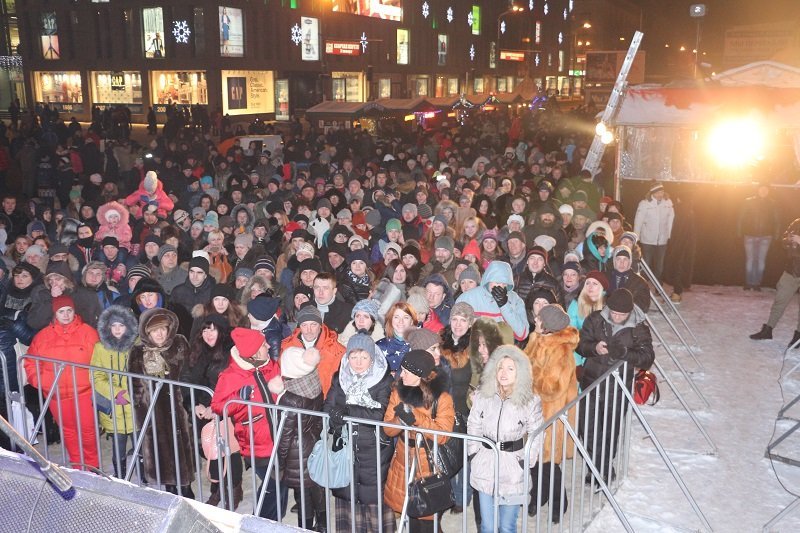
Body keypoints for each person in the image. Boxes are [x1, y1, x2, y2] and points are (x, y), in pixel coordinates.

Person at [577, 288, 655, 485]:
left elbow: (647, 358)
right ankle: (597, 464)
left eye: (622, 314)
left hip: (618, 388)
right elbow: (580, 344)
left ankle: (601, 468)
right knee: (587, 428)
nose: (617, 316)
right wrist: (594, 348)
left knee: (609, 430)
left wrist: (625, 353)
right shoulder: (595, 320)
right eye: (614, 312)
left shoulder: (639, 328)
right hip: (591, 383)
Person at [211, 327, 287, 521]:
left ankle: (275, 521)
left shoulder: (270, 365)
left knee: (282, 481)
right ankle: (259, 521)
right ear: (253, 352)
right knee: (274, 483)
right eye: (263, 344)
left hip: (279, 436)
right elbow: (219, 406)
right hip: (256, 441)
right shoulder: (231, 376)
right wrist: (238, 398)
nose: (269, 345)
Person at [323, 333, 395, 533]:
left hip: (373, 449)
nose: (358, 362)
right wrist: (336, 420)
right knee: (348, 496)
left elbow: (379, 413)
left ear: (372, 358)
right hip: (345, 446)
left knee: (373, 499)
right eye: (354, 356)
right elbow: (327, 407)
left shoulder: (384, 381)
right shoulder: (340, 378)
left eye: (364, 357)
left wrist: (347, 412)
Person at [467, 345, 543, 533]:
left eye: (510, 368)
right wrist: (473, 452)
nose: (503, 373)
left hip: (513, 468)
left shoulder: (530, 401)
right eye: (500, 367)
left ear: (521, 372)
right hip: (485, 463)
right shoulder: (483, 395)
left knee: (507, 527)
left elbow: (537, 432)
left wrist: (527, 460)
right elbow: (473, 423)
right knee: (487, 526)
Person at [383, 349, 455, 533]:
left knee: (428, 518)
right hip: (403, 459)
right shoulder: (398, 392)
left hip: (428, 462)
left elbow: (444, 433)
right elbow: (388, 429)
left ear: (421, 376)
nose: (401, 374)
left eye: (407, 371)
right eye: (402, 370)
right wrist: (400, 419)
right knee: (412, 513)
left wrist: (416, 418)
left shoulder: (442, 398)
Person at [25, 295, 100, 469]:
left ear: (74, 312)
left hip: (84, 392)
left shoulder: (88, 332)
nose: (65, 315)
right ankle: (77, 466)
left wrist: (94, 381)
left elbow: (99, 361)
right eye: (61, 311)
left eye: (69, 311)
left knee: (88, 432)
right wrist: (41, 381)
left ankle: (93, 468)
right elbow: (30, 362)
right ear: (54, 313)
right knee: (68, 432)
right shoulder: (43, 336)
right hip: (56, 394)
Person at [128, 308, 195, 497]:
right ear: (147, 332)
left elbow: (190, 372)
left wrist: (187, 403)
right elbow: (136, 387)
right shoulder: (138, 352)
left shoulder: (179, 344)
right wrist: (141, 417)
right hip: (153, 412)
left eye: (163, 328)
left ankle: (186, 490)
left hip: (178, 408)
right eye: (154, 330)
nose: (159, 333)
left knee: (181, 451)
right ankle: (170, 490)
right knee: (161, 454)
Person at [524, 304, 579, 521]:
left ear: (546, 325)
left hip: (553, 414)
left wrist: (531, 374)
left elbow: (552, 387)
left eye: (538, 319)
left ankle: (558, 502)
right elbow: (523, 361)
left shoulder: (562, 350)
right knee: (535, 461)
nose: (535, 321)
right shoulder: (539, 340)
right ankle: (538, 496)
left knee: (548, 463)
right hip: (534, 411)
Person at [184, 314, 243, 508]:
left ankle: (234, 489)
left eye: (213, 329)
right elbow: (187, 380)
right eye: (205, 329)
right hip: (202, 410)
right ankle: (217, 488)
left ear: (222, 331)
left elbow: (234, 385)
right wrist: (192, 404)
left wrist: (215, 409)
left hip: (225, 410)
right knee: (211, 450)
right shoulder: (197, 350)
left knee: (229, 451)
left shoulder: (231, 352)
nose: (209, 333)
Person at [268, 346, 325, 531]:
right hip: (314, 443)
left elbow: (284, 436)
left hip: (297, 451)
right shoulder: (313, 382)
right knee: (316, 487)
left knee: (302, 495)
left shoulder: (290, 399)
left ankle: (305, 528)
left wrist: (280, 461)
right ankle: (323, 525)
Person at [91, 305, 138, 478]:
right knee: (118, 448)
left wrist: (132, 393)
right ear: (108, 327)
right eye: (114, 326)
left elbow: (142, 375)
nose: (117, 329)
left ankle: (143, 475)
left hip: (134, 406)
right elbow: (97, 377)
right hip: (114, 409)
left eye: (121, 325)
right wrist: (117, 393)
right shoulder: (100, 348)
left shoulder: (136, 346)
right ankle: (120, 475)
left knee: (140, 444)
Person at [751, 218, 800, 348]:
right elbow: (784, 240)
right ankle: (768, 330)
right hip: (792, 269)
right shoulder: (797, 222)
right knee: (780, 300)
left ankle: (798, 337)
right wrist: (789, 240)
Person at [280, 302, 346, 398]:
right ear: (299, 326)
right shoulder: (287, 347)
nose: (309, 330)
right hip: (296, 403)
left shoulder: (337, 351)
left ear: (320, 325)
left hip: (324, 403)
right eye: (304, 325)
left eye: (313, 324)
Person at [456, 260, 529, 343]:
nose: (500, 286)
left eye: (504, 284)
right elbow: (456, 328)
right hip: (475, 348)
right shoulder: (467, 298)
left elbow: (522, 334)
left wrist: (504, 305)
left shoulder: (515, 299)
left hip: (503, 350)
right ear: (488, 280)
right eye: (497, 282)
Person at [738, 184, 780, 291]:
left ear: (769, 191)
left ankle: (756, 284)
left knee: (761, 261)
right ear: (757, 190)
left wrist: (776, 235)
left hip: (766, 236)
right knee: (750, 260)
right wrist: (739, 233)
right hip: (749, 235)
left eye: (766, 190)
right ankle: (749, 283)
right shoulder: (748, 201)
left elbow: (777, 220)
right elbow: (741, 218)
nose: (763, 191)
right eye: (761, 189)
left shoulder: (772, 203)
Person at [633, 181, 674, 280]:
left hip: (662, 240)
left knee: (659, 266)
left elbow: (671, 220)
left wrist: (669, 235)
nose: (660, 194)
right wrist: (635, 238)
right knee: (646, 263)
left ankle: (658, 286)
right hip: (647, 240)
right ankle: (642, 285)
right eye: (657, 192)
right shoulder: (644, 204)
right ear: (652, 193)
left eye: (661, 191)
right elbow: (638, 221)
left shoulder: (668, 203)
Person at [377, 301, 417, 375]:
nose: (401, 321)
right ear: (391, 320)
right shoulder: (379, 346)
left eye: (406, 317)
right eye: (396, 317)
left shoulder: (419, 345)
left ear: (412, 321)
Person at [607, 246, 650, 313]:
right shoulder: (605, 278)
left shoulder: (640, 282)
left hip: (629, 317)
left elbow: (644, 307)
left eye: (625, 259)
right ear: (614, 261)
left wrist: (623, 308)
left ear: (630, 261)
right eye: (618, 259)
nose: (622, 263)